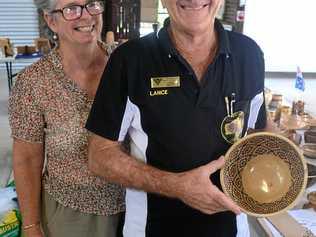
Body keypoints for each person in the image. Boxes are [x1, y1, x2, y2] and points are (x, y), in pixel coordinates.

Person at [86, 0, 266, 236]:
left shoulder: (249, 54)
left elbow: (257, 130)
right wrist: (177, 186)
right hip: (151, 228)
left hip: (232, 227)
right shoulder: (130, 59)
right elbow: (99, 156)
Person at [8, 0, 125, 237]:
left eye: (91, 4)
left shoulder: (127, 64)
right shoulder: (33, 83)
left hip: (135, 205)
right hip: (71, 215)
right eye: (71, 8)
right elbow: (27, 159)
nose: (85, 16)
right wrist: (31, 226)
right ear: (51, 20)